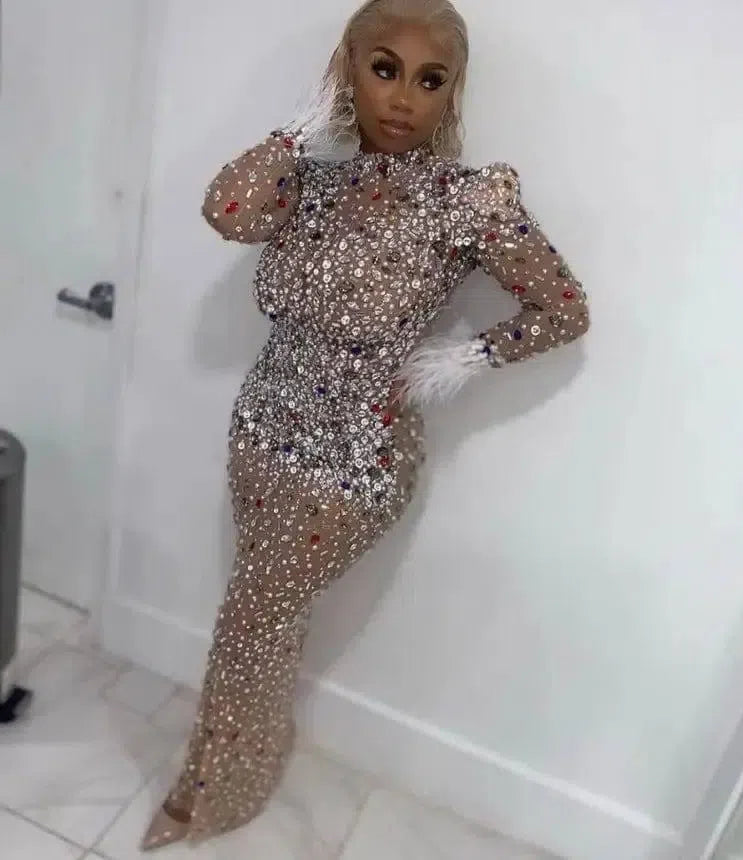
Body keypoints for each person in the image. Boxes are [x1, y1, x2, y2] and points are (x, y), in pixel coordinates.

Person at [140, 0, 590, 850]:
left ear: (452, 93)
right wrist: (296, 130)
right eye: (384, 68)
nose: (404, 98)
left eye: (431, 79)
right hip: (261, 431)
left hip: (353, 462)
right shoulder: (308, 182)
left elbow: (564, 308)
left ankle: (209, 794)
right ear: (347, 68)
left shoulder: (467, 201)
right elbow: (226, 211)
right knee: (264, 614)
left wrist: (467, 357)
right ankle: (250, 762)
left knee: (251, 619)